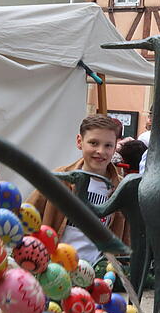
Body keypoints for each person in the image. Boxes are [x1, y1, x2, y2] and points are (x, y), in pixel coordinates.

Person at [26, 114, 131, 265]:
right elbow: (26, 215)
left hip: (98, 276)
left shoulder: (122, 190)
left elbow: (128, 239)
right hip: (53, 270)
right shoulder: (58, 179)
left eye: (108, 145)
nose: (101, 151)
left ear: (115, 147)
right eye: (94, 143)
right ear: (79, 142)